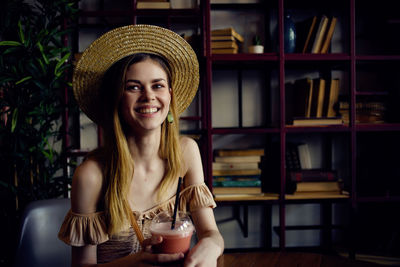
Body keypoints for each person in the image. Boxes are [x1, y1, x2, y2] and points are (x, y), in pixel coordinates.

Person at [58, 24, 224, 266]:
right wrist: (136, 262)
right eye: (133, 87)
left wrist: (210, 245)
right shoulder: (91, 176)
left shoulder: (186, 152)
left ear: (170, 95)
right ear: (117, 99)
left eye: (157, 85)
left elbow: (212, 234)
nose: (148, 96)